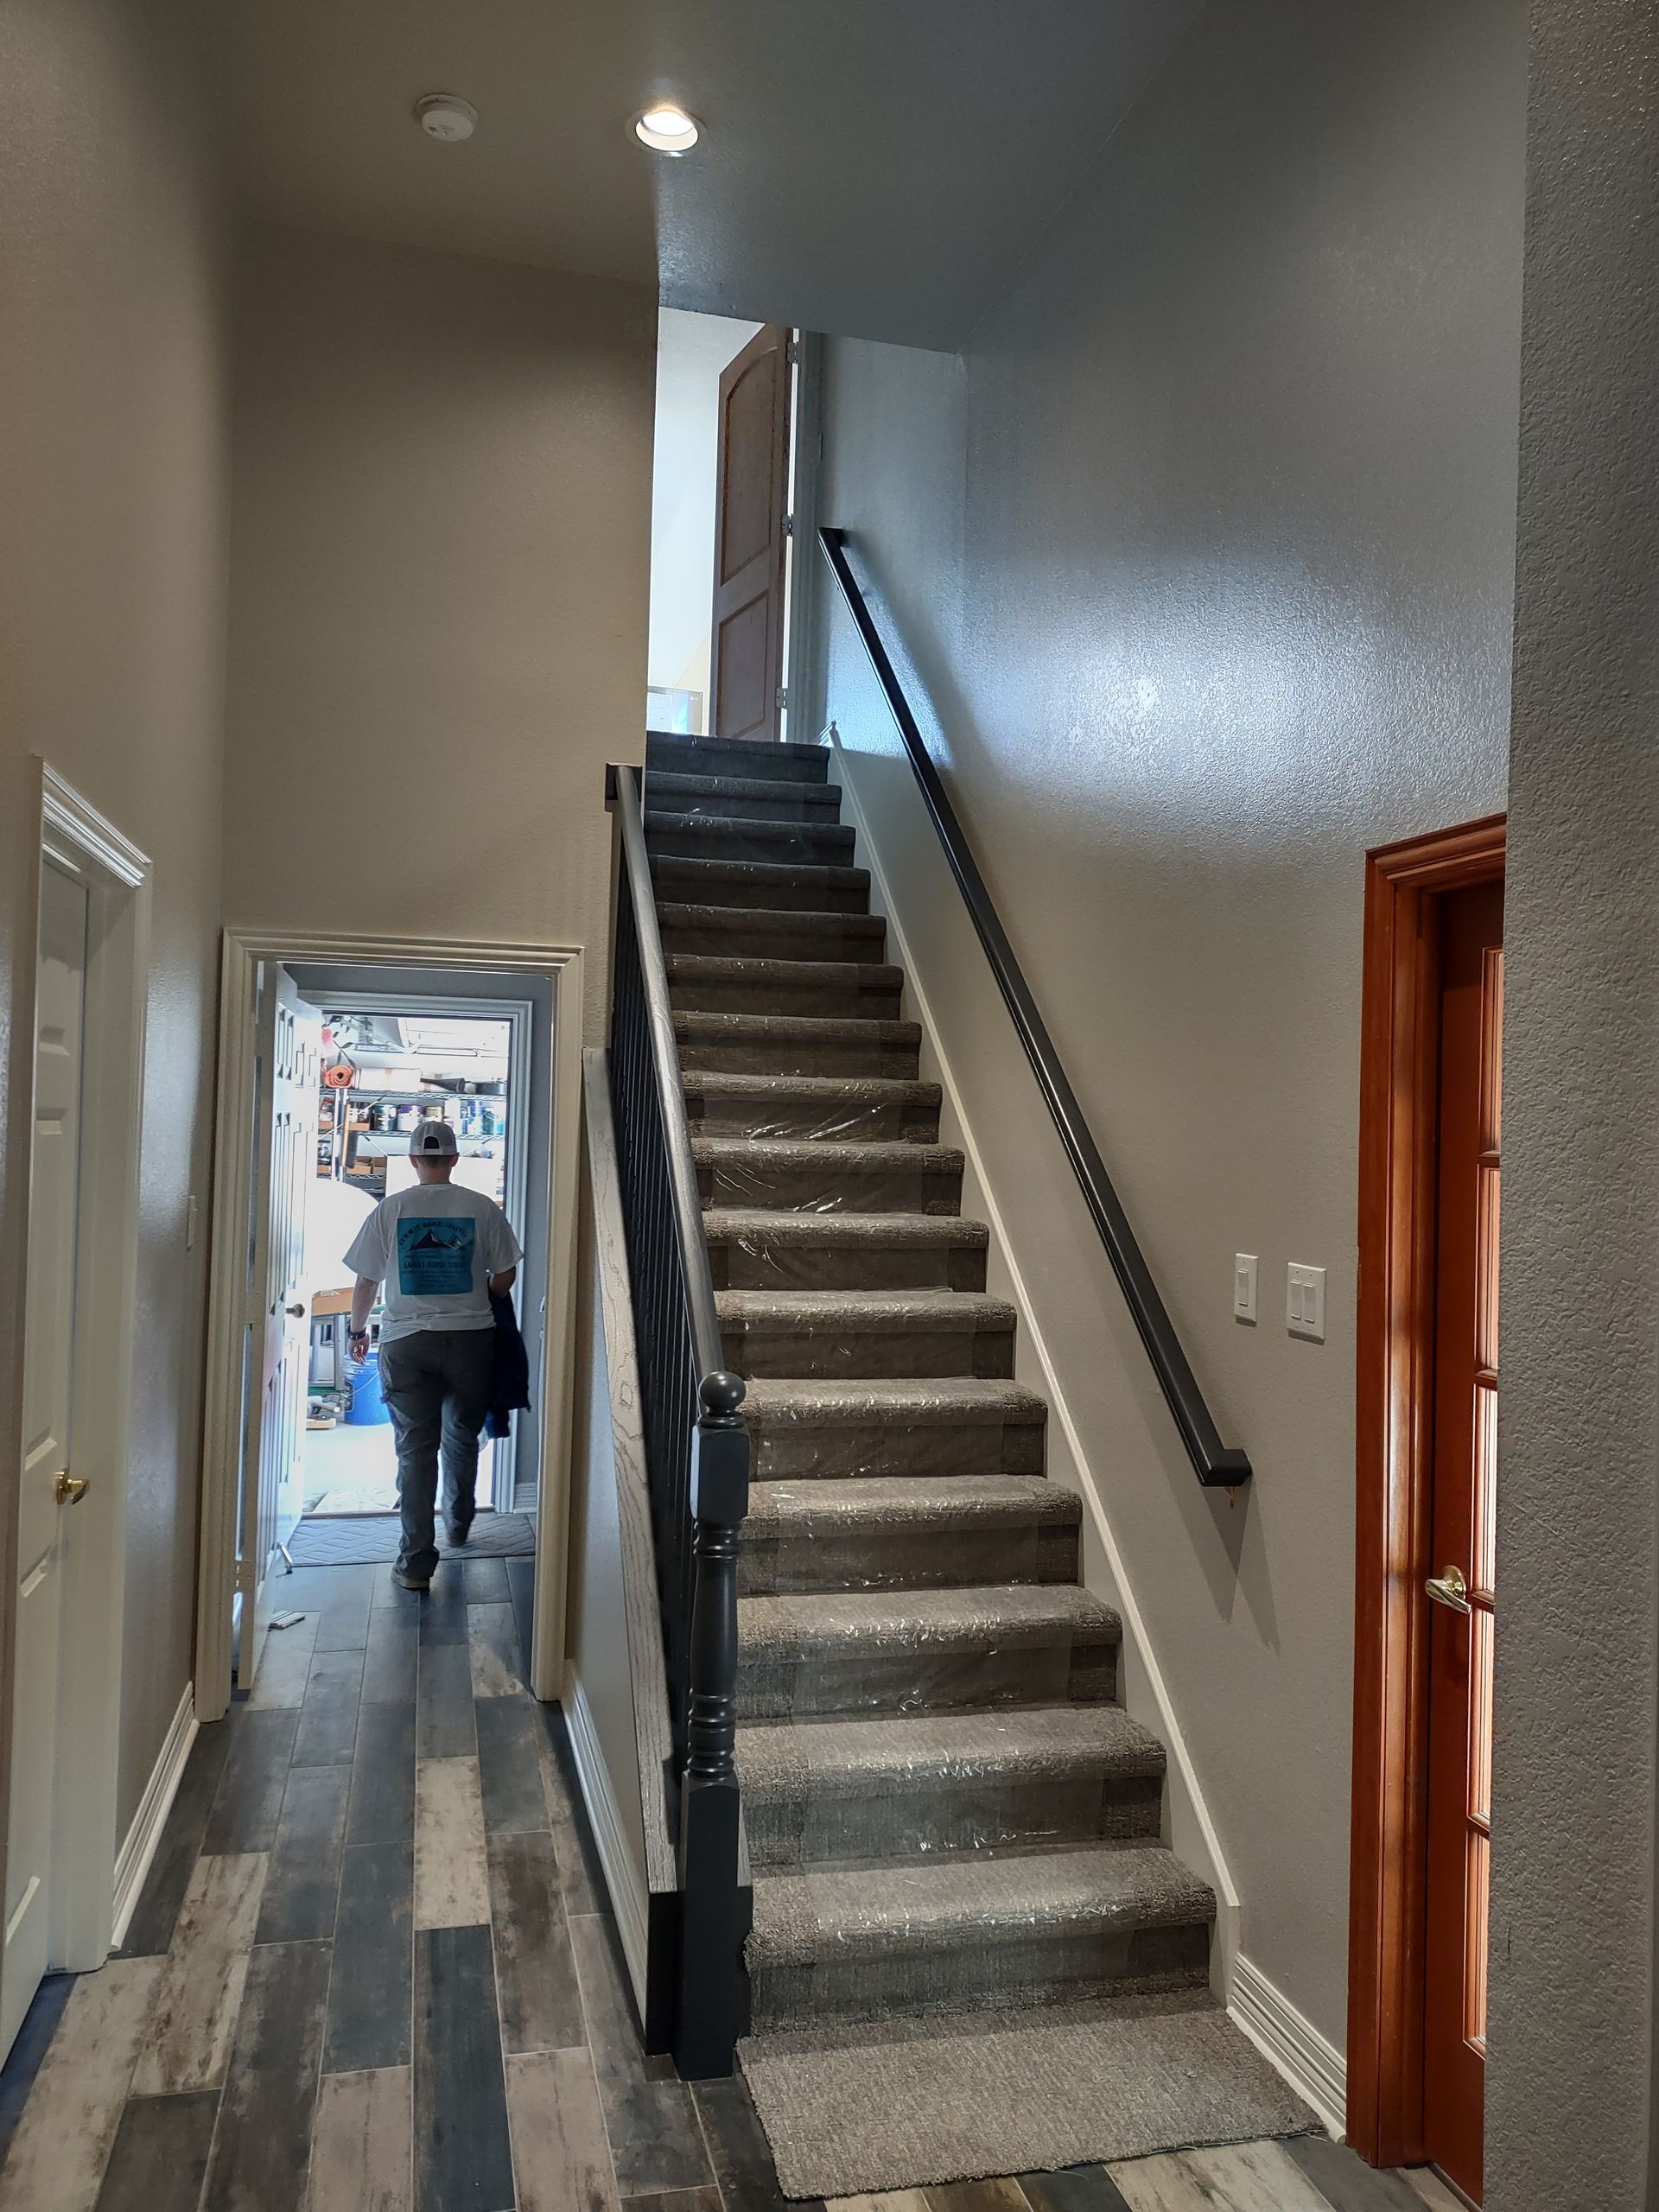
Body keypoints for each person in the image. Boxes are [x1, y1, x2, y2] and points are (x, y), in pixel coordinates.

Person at [344, 1119, 522, 1591]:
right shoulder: (481, 1207)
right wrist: (475, 1294)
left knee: (414, 1452)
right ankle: (459, 1528)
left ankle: (416, 1564)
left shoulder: (391, 1210)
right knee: (462, 1438)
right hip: (471, 1341)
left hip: (407, 1343)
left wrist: (358, 1329)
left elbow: (366, 1280)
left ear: (414, 1160)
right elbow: (506, 1276)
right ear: (454, 1158)